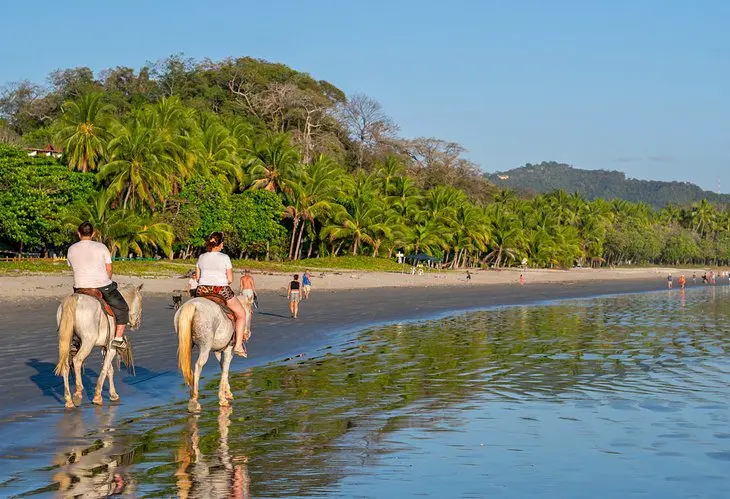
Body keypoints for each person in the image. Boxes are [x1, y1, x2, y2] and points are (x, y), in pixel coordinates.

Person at [67, 222, 129, 348]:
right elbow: (109, 269)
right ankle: (118, 339)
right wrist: (105, 280)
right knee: (122, 308)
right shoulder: (101, 247)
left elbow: (73, 266)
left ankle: (74, 341)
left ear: (79, 233)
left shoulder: (71, 249)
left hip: (80, 288)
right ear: (93, 233)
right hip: (102, 286)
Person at [195, 232, 248, 357]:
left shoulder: (201, 257)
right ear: (220, 244)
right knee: (241, 314)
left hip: (202, 290)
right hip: (220, 290)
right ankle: (239, 345)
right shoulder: (225, 257)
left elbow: (197, 278)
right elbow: (229, 279)